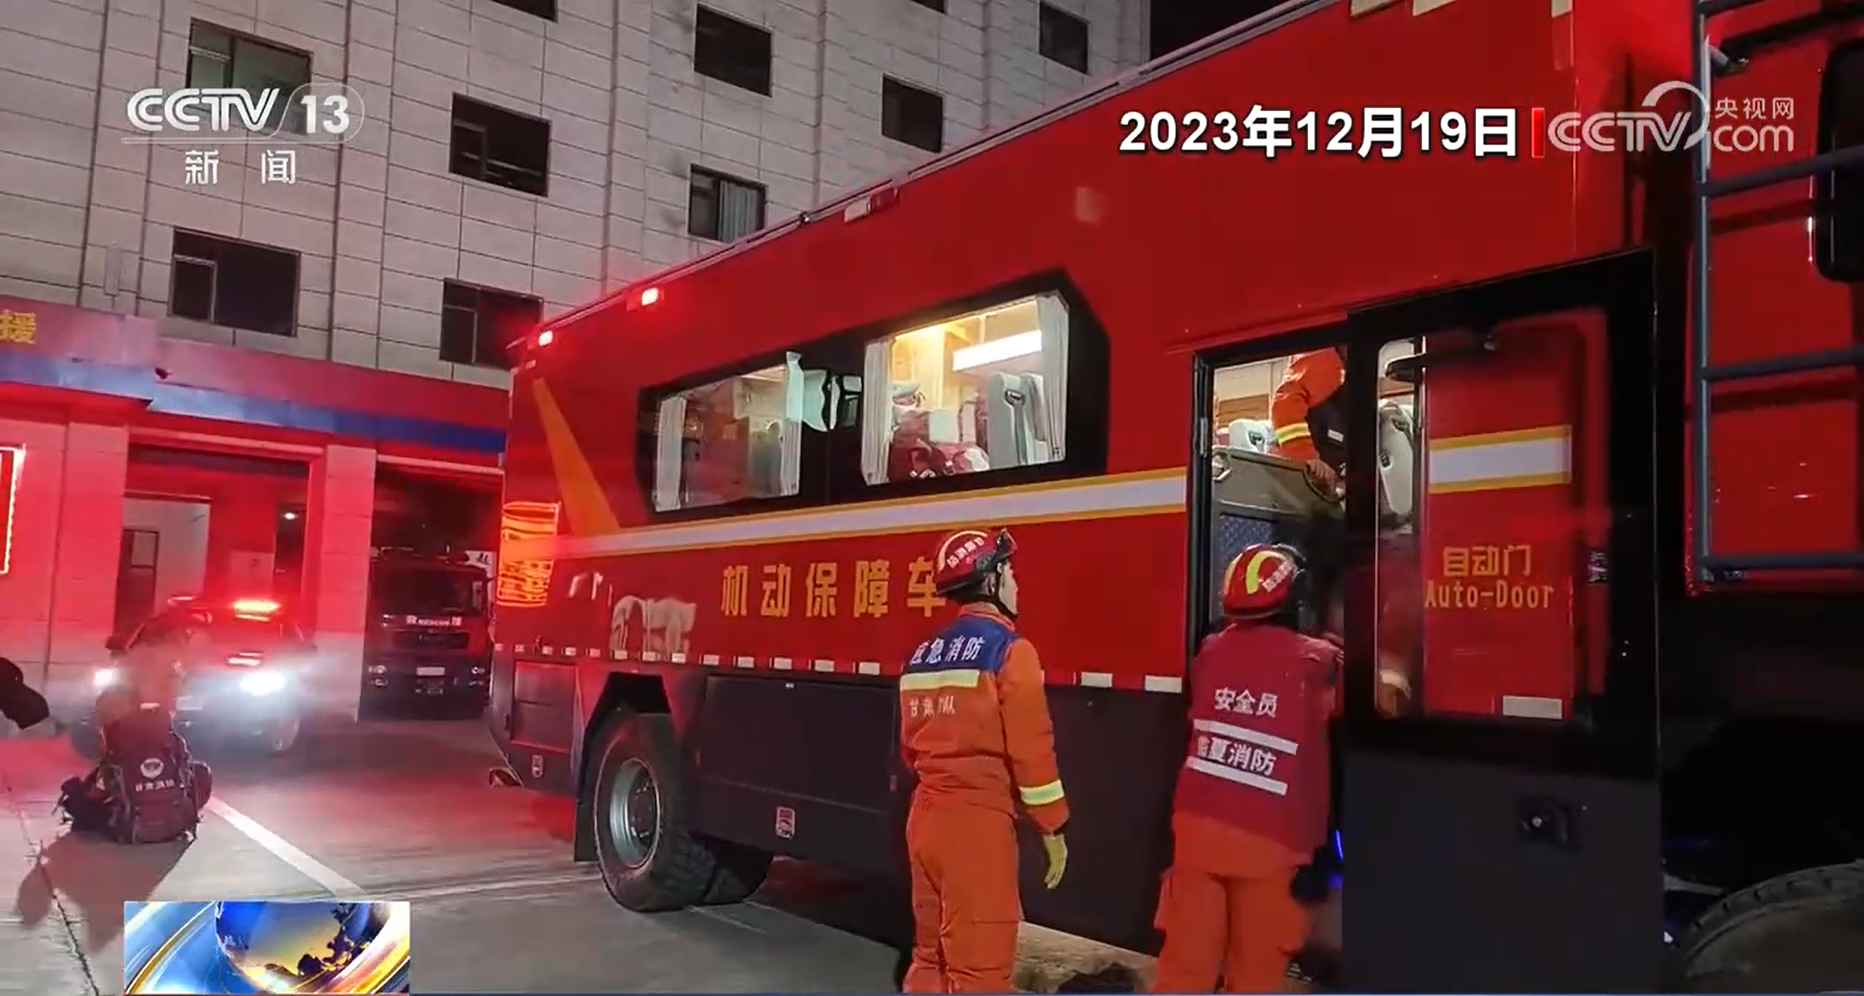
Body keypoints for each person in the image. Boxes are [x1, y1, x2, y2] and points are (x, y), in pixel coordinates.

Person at [1151, 544, 1339, 994]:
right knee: (1254, 976)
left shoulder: (1210, 653)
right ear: (1297, 599)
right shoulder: (1319, 662)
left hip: (1197, 835)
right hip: (1270, 843)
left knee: (1183, 973)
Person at [898, 527, 1069, 994]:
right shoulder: (1011, 653)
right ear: (991, 581)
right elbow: (1033, 752)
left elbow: (909, 750)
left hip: (924, 820)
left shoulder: (921, 656)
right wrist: (1051, 827)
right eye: (1009, 571)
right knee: (980, 971)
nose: (1016, 582)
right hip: (976, 828)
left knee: (929, 956)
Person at [1268, 348, 1346, 489]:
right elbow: (1285, 404)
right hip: (1295, 480)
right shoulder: (1323, 358)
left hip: (1318, 484)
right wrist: (1305, 455)